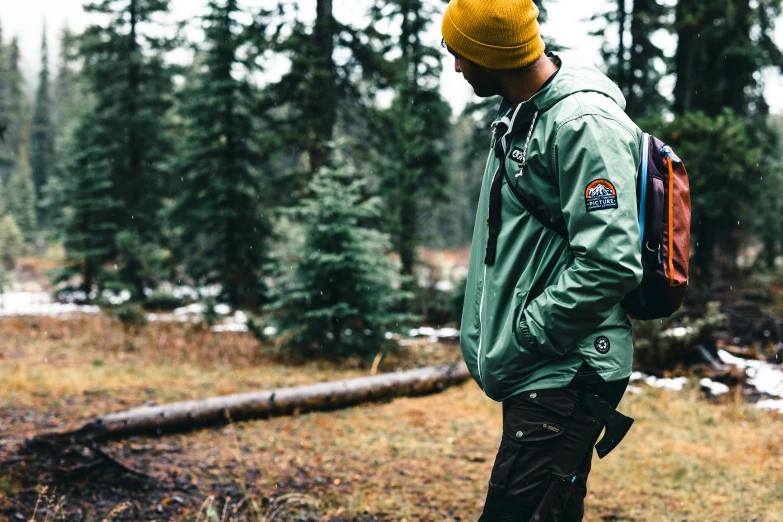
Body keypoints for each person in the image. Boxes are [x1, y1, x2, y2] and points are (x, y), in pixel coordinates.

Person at [440, 0, 644, 520]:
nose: (457, 66)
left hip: (566, 366)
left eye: (461, 53)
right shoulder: (527, 115)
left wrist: (531, 331)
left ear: (492, 55)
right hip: (548, 367)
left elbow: (611, 260)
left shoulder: (582, 124)